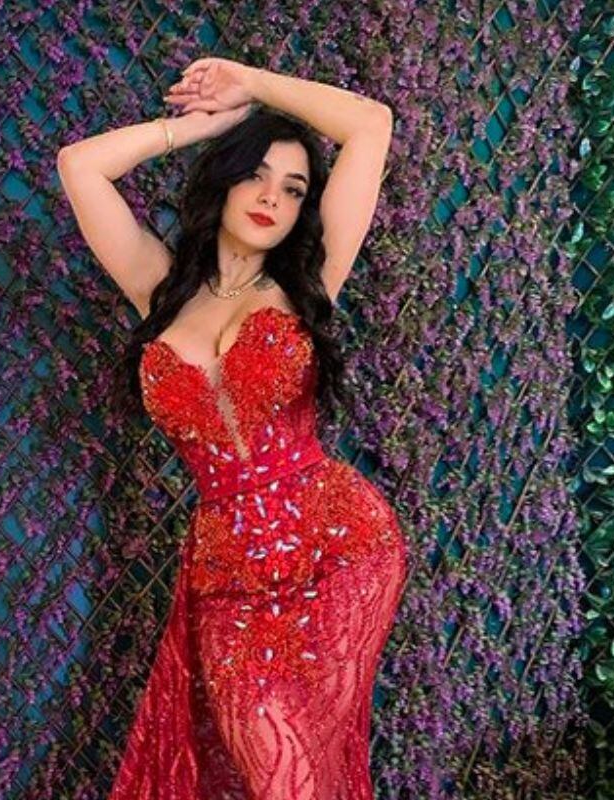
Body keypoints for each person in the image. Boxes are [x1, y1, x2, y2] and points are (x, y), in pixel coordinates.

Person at [57, 56, 408, 800]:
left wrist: (254, 83)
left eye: (294, 188)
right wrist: (203, 127)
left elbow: (370, 123)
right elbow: (80, 166)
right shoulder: (158, 287)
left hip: (340, 549)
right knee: (274, 766)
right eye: (255, 175)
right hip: (228, 576)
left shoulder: (309, 282)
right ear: (223, 181)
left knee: (297, 777)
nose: (272, 197)